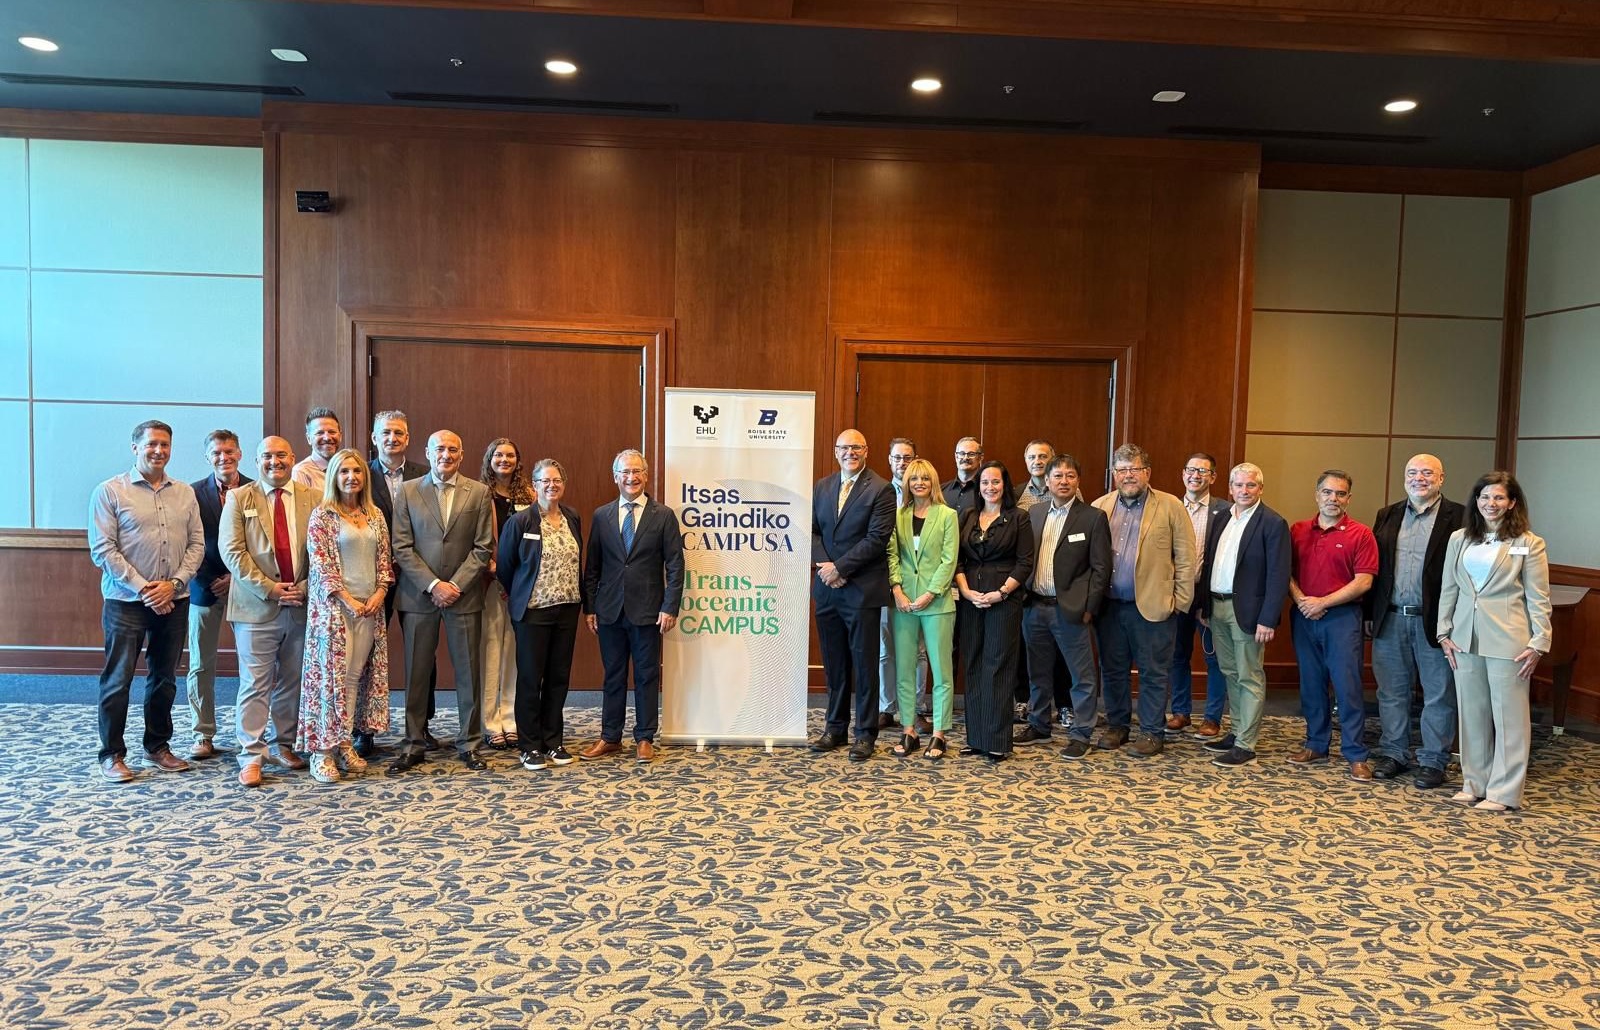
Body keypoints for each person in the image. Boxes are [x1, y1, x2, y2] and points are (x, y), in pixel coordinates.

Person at [88, 420, 204, 782]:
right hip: (126, 601)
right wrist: (145, 589)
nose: (158, 450)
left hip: (175, 599)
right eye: (151, 444)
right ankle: (112, 754)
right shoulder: (110, 491)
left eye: (164, 444)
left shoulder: (184, 493)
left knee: (164, 679)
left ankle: (157, 747)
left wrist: (174, 584)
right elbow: (103, 550)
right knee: (118, 679)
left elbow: (197, 545)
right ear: (135, 447)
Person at [1438, 472, 1551, 812]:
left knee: (1509, 718)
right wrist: (1444, 631)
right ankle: (1475, 783)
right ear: (1476, 501)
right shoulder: (1459, 538)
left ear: (1512, 503)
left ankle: (1504, 792)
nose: (1491, 503)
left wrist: (1539, 641)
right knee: (1471, 714)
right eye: (1485, 497)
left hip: (1510, 639)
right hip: (1464, 637)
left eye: (1499, 497)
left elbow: (1538, 597)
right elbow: (1449, 588)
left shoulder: (1529, 543)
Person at [390, 430, 495, 773]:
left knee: (469, 674)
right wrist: (434, 585)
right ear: (428, 452)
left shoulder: (478, 492)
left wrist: (455, 586)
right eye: (439, 449)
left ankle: (470, 744)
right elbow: (401, 546)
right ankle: (413, 744)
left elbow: (483, 547)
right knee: (416, 674)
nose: (445, 455)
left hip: (464, 597)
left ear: (461, 455)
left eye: (452, 449)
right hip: (419, 597)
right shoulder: (407, 491)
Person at [220, 436, 317, 786]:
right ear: (257, 460)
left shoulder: (313, 498)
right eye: (267, 456)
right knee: (255, 683)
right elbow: (232, 552)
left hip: (301, 605)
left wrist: (304, 587)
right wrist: (270, 588)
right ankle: (251, 754)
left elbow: (322, 551)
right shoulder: (239, 498)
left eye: (281, 455)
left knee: (292, 680)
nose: (274, 462)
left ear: (293, 458)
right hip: (256, 607)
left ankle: (282, 744)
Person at [1366, 453, 1466, 790]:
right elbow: (1377, 570)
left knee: (1439, 694)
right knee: (1391, 692)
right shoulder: (1388, 514)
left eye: (1427, 473)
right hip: (1391, 618)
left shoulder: (1460, 517)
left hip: (1436, 622)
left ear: (1441, 478)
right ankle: (1393, 753)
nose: (1418, 478)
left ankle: (1433, 760)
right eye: (1412, 472)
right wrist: (1371, 614)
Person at [1090, 444, 1196, 756]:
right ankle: (1118, 726)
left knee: (1153, 673)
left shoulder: (1170, 505)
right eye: (1122, 470)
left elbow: (1186, 558)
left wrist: (1180, 602)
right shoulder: (1100, 506)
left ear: (1147, 472)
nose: (1128, 475)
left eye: (1134, 469)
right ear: (1114, 474)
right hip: (1109, 607)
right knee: (1113, 670)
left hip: (1154, 606)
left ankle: (1151, 732)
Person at [583, 449, 686, 763]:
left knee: (646, 675)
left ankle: (644, 737)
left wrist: (670, 607)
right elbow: (593, 566)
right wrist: (590, 607)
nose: (631, 477)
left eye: (637, 471)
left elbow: (676, 565)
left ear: (646, 475)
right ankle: (610, 737)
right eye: (625, 472)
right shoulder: (601, 515)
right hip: (609, 610)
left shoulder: (663, 515)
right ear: (616, 477)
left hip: (648, 611)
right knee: (613, 676)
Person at [298, 449, 393, 784]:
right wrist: (348, 600)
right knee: (330, 680)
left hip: (369, 609)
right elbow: (321, 566)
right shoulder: (322, 516)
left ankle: (343, 742)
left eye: (357, 471)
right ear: (333, 477)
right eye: (344, 472)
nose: (351, 477)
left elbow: (385, 561)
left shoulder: (375, 514)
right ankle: (321, 751)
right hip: (335, 611)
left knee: (353, 678)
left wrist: (379, 593)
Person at [1197, 463, 1291, 768]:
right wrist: (1205, 606)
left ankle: (1246, 744)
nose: (1244, 490)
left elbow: (1278, 575)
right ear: (1230, 488)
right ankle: (1237, 731)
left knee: (1249, 675)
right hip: (1218, 606)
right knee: (1229, 671)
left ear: (1260, 488)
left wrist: (1268, 618)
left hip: (1249, 612)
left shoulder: (1273, 523)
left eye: (1251, 485)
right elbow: (1210, 563)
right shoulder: (1222, 517)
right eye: (1239, 485)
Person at [810, 430, 896, 761]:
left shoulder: (881, 489)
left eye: (856, 447)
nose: (850, 452)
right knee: (835, 665)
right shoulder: (823, 486)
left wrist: (840, 568)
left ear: (866, 451)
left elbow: (877, 539)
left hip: (861, 591)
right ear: (836, 452)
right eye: (844, 448)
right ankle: (835, 728)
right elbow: (813, 531)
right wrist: (826, 568)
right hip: (827, 590)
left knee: (864, 665)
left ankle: (865, 734)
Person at [1288, 469, 1379, 780]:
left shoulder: (1361, 534)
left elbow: (1364, 581)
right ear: (1317, 495)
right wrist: (1303, 600)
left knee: (1347, 686)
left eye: (1340, 493)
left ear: (1348, 499)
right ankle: (1316, 744)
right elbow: (1285, 572)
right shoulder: (1298, 530)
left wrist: (1322, 603)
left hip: (1342, 618)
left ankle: (1356, 754)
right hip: (1304, 616)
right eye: (1327, 492)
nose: (1333, 498)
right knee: (1311, 684)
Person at [1017, 454, 1110, 758]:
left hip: (1070, 610)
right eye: (1057, 476)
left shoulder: (1093, 517)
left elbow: (1101, 569)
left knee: (1081, 676)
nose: (1064, 481)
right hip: (1034, 607)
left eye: (1070, 476)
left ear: (1078, 481)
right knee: (1037, 672)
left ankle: (1081, 733)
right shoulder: (1034, 513)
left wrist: (1089, 608)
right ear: (1047, 481)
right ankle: (1039, 723)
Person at [498, 459, 585, 772]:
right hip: (533, 611)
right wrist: (522, 593)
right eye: (545, 481)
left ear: (564, 484)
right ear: (534, 485)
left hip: (567, 609)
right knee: (530, 678)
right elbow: (506, 566)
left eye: (557, 480)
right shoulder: (521, 521)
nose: (552, 486)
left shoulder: (572, 517)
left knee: (558, 678)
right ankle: (530, 745)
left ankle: (553, 741)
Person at [954, 461, 1034, 761]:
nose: (990, 487)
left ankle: (997, 740)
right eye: (985, 482)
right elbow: (957, 560)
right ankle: (977, 738)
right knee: (973, 664)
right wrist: (965, 591)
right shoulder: (968, 516)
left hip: (1004, 601)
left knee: (998, 667)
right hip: (971, 599)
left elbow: (1025, 563)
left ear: (1005, 485)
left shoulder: (1019, 518)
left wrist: (1001, 592)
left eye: (996, 482)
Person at [361, 409, 428, 757]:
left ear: (408, 438)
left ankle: (422, 726)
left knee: (422, 652)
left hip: (416, 577)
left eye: (399, 433)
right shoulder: (360, 474)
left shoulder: (425, 474)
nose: (392, 438)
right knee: (367, 653)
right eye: (385, 432)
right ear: (374, 438)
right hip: (374, 581)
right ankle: (364, 729)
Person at [185, 429, 250, 760]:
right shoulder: (193, 494)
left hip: (247, 588)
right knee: (200, 663)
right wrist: (210, 578)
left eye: (229, 451)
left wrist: (236, 578)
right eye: (216, 453)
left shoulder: (255, 489)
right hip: (204, 586)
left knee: (253, 666)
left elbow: (262, 543)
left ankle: (249, 734)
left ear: (239, 453)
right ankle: (203, 733)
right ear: (208, 457)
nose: (223, 457)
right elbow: (188, 542)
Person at [886, 459, 958, 760]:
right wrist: (897, 589)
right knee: (904, 668)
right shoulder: (898, 515)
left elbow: (949, 559)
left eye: (925, 478)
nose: (919, 483)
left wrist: (930, 593)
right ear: (907, 483)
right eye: (914, 479)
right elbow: (891, 554)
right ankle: (909, 730)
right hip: (903, 602)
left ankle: (939, 733)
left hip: (937, 602)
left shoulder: (947, 515)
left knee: (941, 670)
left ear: (933, 482)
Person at [1168, 452, 1230, 738]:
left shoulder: (1225, 511)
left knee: (1213, 658)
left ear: (1213, 477)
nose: (1196, 476)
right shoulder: (1169, 507)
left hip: (1207, 596)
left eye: (1203, 471)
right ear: (1183, 474)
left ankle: (1212, 718)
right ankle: (1180, 712)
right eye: (1191, 470)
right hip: (1176, 593)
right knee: (1177, 655)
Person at [480, 438, 532, 750]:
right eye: (498, 455)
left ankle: (510, 718)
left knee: (514, 652)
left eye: (510, 455)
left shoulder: (530, 495)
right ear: (490, 459)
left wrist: (517, 577)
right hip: (490, 583)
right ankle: (489, 720)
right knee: (491, 651)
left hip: (521, 585)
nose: (504, 460)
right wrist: (495, 571)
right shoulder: (479, 494)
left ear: (518, 460)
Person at [878, 437, 929, 734]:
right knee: (885, 649)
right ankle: (887, 708)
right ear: (889, 460)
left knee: (918, 650)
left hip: (916, 582)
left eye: (907, 457)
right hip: (882, 581)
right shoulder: (878, 492)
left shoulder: (925, 497)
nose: (902, 463)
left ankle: (916, 708)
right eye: (897, 458)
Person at [291, 407, 342, 493]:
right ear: (309, 438)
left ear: (340, 436)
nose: (327, 438)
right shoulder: (301, 472)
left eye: (332, 432)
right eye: (320, 433)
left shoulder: (348, 468)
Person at [941, 437, 984, 522]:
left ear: (980, 457)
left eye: (971, 454)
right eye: (961, 453)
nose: (965, 458)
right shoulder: (941, 491)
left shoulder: (986, 492)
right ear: (956, 456)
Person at [1014, 440, 1055, 513]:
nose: (1037, 462)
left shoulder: (1065, 490)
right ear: (1026, 460)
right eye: (1031, 457)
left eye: (1043, 457)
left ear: (1053, 459)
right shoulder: (1016, 493)